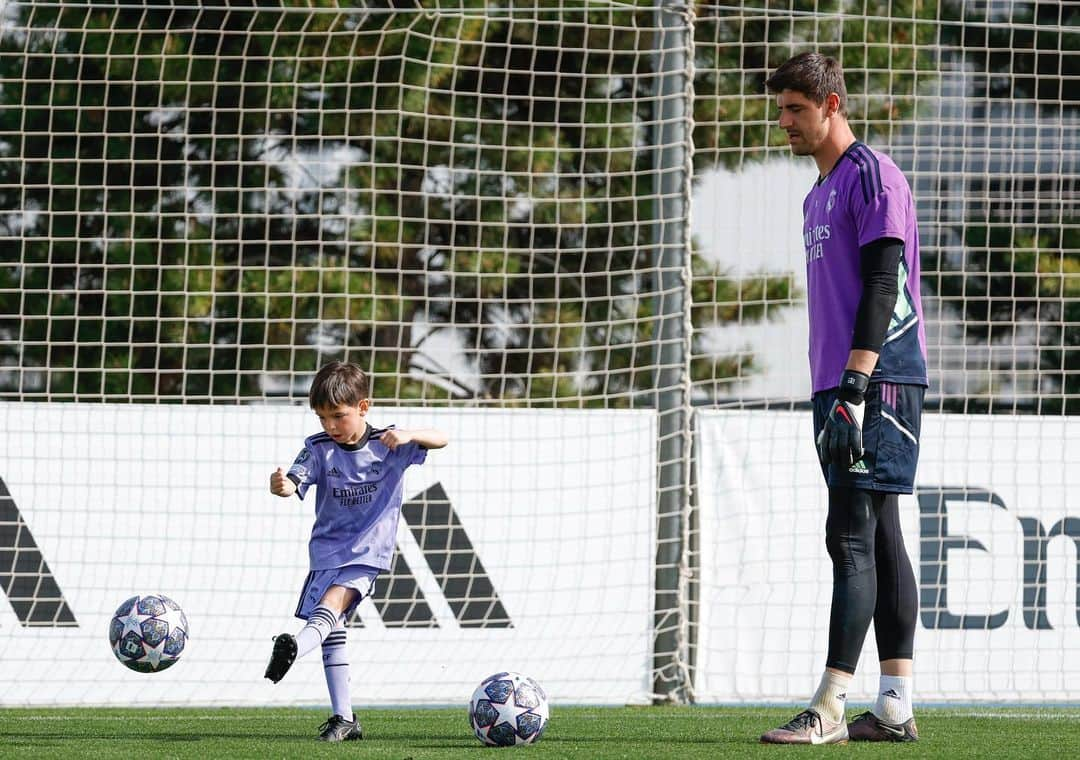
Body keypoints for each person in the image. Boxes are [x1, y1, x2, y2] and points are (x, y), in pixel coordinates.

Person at [758, 52, 927, 745]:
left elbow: (884, 285)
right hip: (837, 381)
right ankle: (893, 707)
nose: (785, 124)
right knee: (879, 536)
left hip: (876, 380)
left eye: (796, 109)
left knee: (850, 534)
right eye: (781, 112)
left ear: (832, 105)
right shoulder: (814, 194)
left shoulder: (873, 176)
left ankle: (829, 705)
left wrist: (858, 383)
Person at [264, 360, 448, 742]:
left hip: (368, 553)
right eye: (322, 418)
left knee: (330, 606)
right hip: (326, 554)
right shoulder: (317, 449)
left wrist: (409, 433)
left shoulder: (389, 444)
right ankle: (344, 718)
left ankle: (295, 647)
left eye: (338, 416)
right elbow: (294, 481)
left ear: (363, 407)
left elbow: (441, 437)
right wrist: (281, 485)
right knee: (333, 628)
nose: (330, 426)